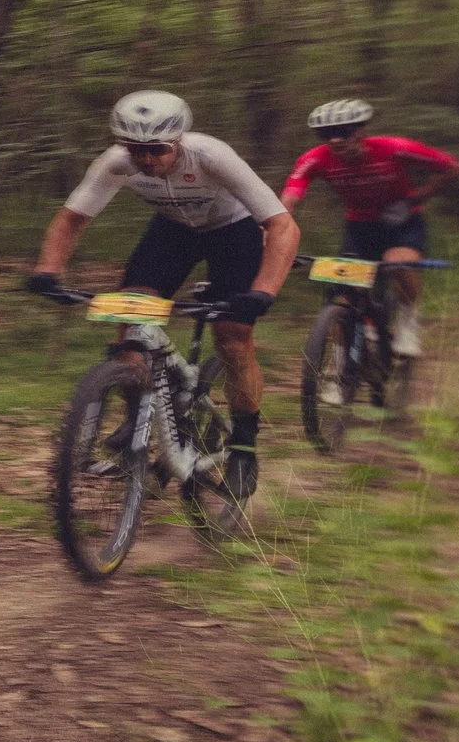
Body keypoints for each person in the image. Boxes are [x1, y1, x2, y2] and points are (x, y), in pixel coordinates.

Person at [25, 90, 301, 495]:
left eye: (157, 150)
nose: (148, 160)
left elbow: (282, 225)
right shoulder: (116, 162)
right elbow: (72, 219)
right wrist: (48, 270)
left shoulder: (211, 155)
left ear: (178, 142)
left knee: (233, 339)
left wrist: (264, 291)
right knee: (130, 320)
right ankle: (135, 408)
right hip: (173, 233)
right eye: (137, 151)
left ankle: (243, 445)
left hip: (233, 233)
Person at [279, 99, 459, 375]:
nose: (336, 139)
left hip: (402, 223)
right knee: (345, 295)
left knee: (398, 263)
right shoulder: (314, 159)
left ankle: (408, 322)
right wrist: (276, 231)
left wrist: (416, 199)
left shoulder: (394, 148)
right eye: (327, 134)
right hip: (360, 227)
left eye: (344, 130)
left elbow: (453, 167)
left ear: (361, 131)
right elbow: (289, 200)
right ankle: (340, 367)